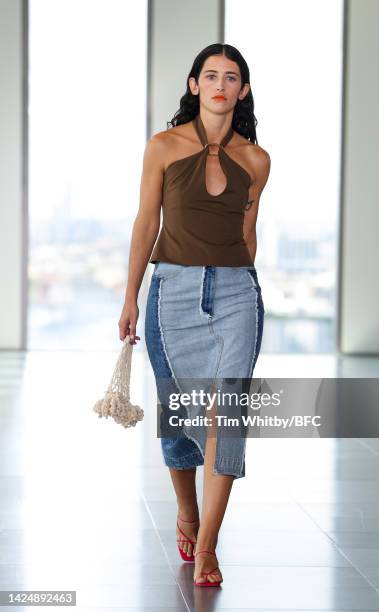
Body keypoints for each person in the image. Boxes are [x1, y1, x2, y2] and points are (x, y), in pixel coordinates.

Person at [118, 43, 270, 587]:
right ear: (193, 85)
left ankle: (207, 545)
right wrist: (131, 296)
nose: (221, 85)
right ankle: (186, 509)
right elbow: (144, 223)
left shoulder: (257, 160)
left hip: (235, 292)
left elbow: (248, 236)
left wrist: (246, 286)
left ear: (242, 91)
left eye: (232, 78)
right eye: (211, 76)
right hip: (172, 290)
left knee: (226, 412)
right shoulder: (162, 147)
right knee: (179, 415)